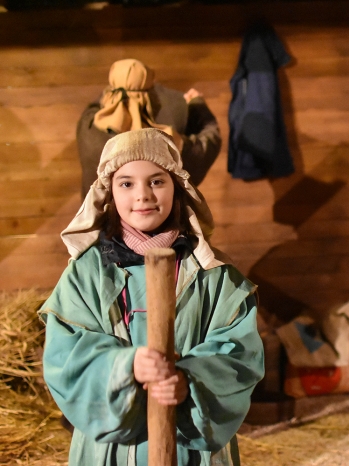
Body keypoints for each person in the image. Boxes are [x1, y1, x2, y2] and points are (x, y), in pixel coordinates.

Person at [40, 128, 264, 466]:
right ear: (109, 193)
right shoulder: (85, 276)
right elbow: (65, 358)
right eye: (126, 183)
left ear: (178, 187)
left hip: (192, 449)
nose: (143, 195)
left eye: (157, 181)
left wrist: (190, 380)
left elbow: (240, 355)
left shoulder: (213, 275)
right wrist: (125, 366)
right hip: (111, 452)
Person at [77, 58, 222, 198]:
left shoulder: (88, 126)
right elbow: (209, 142)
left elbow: (99, 102)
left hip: (99, 222)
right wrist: (197, 106)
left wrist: (120, 83)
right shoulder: (167, 143)